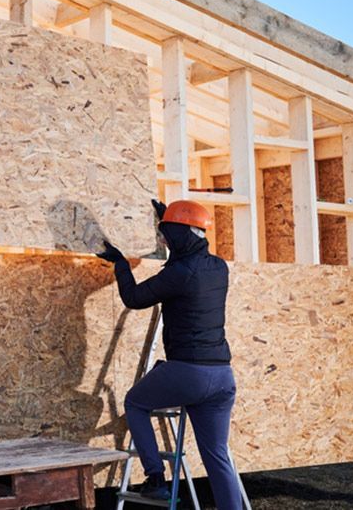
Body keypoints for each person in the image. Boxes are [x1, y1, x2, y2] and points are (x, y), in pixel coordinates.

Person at [97, 199, 240, 509]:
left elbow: (134, 298)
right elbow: (186, 246)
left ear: (178, 236)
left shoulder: (180, 273)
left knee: (135, 402)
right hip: (222, 378)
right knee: (217, 456)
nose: (161, 239)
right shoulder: (218, 267)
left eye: (166, 235)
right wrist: (169, 220)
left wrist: (121, 264)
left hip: (189, 372)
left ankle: (155, 479)